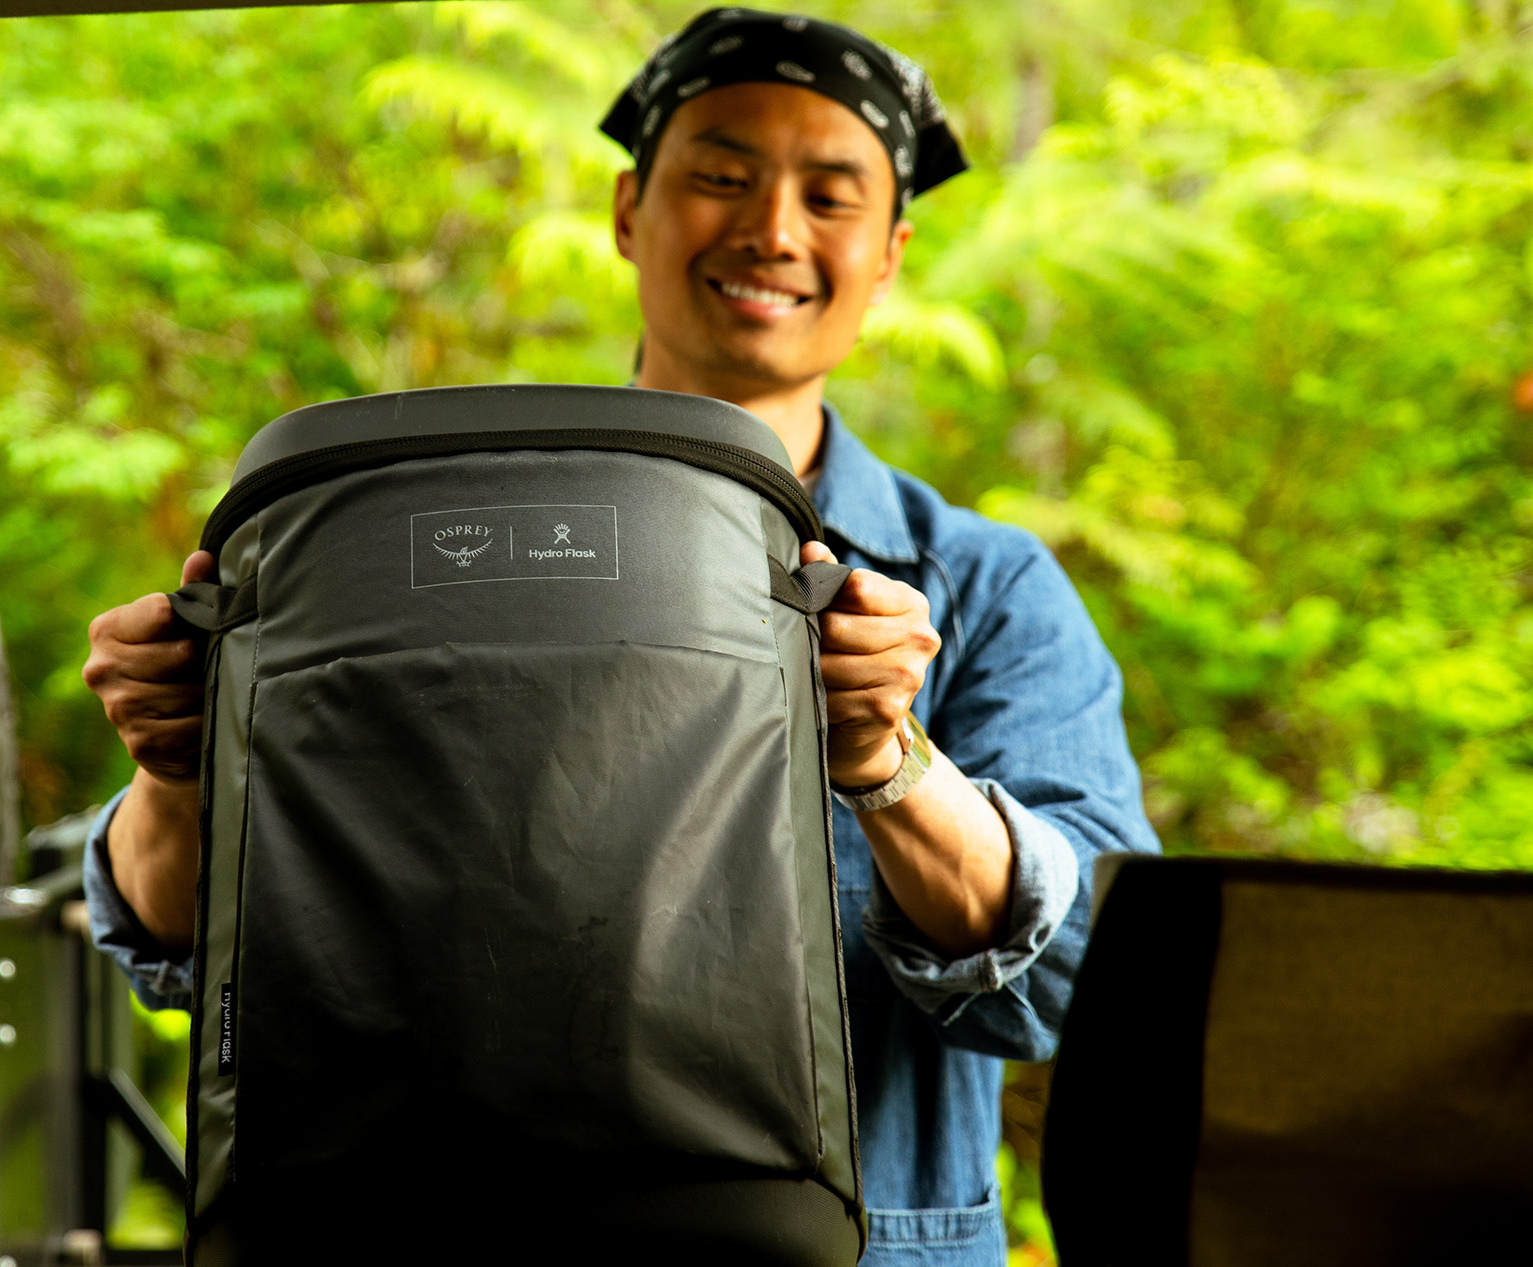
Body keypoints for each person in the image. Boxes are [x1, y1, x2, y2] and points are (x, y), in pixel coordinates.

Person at [81, 9, 1159, 1265]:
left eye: (831, 196)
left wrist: (887, 762)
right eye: (719, 175)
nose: (771, 230)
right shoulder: (409, 529)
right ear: (627, 212)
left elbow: (1084, 980)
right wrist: (174, 769)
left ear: (889, 256)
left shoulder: (978, 589)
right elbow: (181, 956)